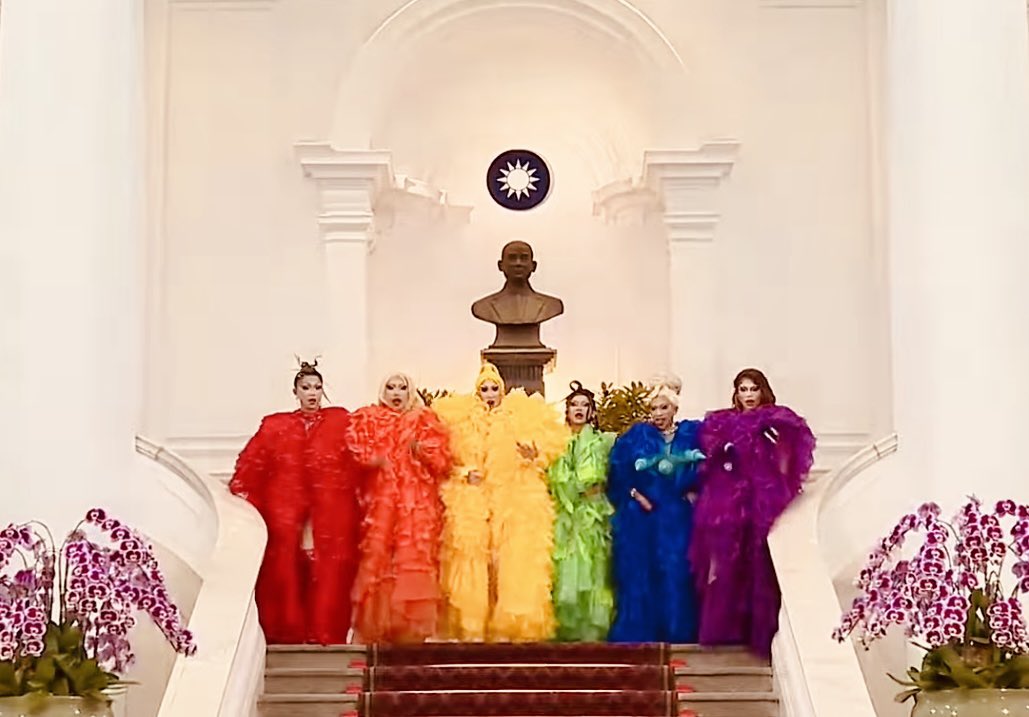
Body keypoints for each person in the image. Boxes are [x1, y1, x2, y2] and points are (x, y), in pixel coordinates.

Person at [433, 362, 568, 641]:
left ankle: (509, 626)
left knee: (511, 561)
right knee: (472, 560)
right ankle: (474, 626)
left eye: (494, 388)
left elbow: (541, 455)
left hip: (511, 499)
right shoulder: (461, 424)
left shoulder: (517, 419)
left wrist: (532, 455)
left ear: (502, 392)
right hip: (473, 500)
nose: (489, 394)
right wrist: (464, 473)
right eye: (484, 389)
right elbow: (445, 461)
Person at [229, 360, 360, 644]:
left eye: (317, 387)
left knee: (329, 567)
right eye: (306, 387)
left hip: (330, 506)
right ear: (296, 391)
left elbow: (358, 457)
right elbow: (253, 463)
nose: (312, 393)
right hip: (286, 506)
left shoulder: (340, 421)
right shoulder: (276, 425)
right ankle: (290, 630)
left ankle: (324, 630)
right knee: (286, 566)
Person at [691, 368, 815, 657]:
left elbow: (786, 462)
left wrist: (779, 493)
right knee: (730, 563)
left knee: (760, 563)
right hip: (732, 502)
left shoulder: (776, 420)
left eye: (753, 389)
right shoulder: (723, 423)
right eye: (743, 389)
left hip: (763, 499)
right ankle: (732, 631)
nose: (748, 395)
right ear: (736, 393)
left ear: (763, 391)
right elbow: (711, 463)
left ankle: (760, 632)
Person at [346, 373, 452, 643]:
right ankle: (379, 626)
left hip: (416, 504)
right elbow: (355, 454)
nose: (396, 393)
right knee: (380, 559)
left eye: (402, 388)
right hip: (381, 504)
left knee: (413, 560)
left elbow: (443, 462)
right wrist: (375, 460)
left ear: (410, 391)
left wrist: (422, 451)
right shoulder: (369, 419)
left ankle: (410, 629)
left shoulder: (424, 420)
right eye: (391, 387)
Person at [607, 374, 705, 643]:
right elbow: (617, 475)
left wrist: (694, 489)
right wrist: (636, 495)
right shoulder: (636, 438)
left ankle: (677, 631)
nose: (658, 413)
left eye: (664, 407)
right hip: (643, 516)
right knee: (642, 573)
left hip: (678, 516)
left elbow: (707, 468)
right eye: (654, 408)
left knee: (676, 571)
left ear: (674, 408)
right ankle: (643, 634)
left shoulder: (691, 435)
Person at [548, 381, 615, 641]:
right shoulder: (555, 442)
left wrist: (578, 486)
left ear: (591, 411)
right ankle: (564, 628)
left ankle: (590, 630)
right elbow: (552, 477)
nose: (578, 409)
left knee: (592, 565)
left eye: (584, 405)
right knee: (564, 565)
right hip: (563, 514)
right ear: (566, 410)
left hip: (591, 514)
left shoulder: (602, 442)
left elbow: (596, 479)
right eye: (574, 404)